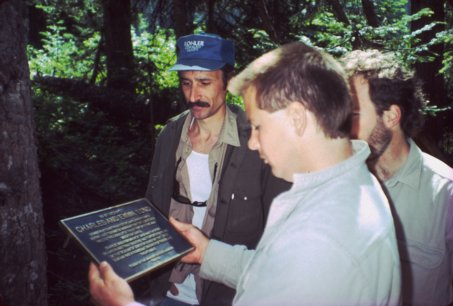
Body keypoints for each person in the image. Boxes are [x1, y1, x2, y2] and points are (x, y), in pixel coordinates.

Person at [89, 42, 401, 305]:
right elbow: (278, 269)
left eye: (259, 127)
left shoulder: (317, 238)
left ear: (297, 118)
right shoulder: (353, 189)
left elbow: (299, 264)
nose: (251, 141)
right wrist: (208, 253)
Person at [135, 33, 290, 306]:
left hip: (230, 294)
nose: (193, 95)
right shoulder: (170, 134)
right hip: (169, 292)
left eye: (204, 83)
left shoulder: (256, 140)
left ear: (227, 82)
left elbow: (281, 231)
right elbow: (152, 209)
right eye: (186, 83)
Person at [341, 49, 453, 306]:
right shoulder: (342, 185)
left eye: (354, 115)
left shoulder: (445, 194)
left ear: (391, 116)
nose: (344, 126)